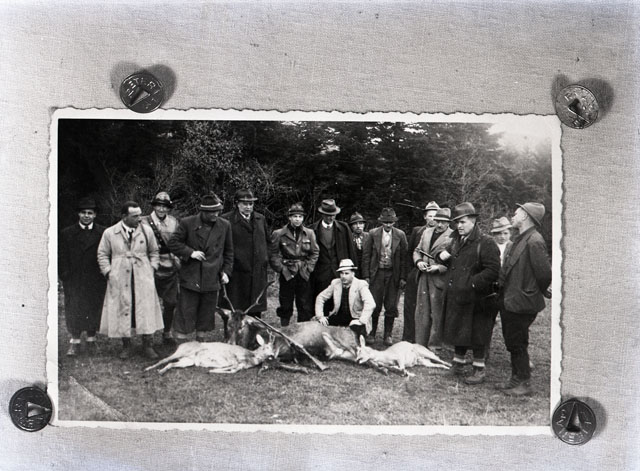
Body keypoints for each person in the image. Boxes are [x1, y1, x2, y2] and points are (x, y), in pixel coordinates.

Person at [439, 202, 500, 384]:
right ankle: (458, 364)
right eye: (457, 222)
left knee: (478, 334)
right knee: (459, 329)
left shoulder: (486, 242)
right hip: (459, 296)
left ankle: (479, 370)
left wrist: (471, 284)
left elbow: (493, 270)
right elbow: (450, 261)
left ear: (473, 221)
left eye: (463, 222)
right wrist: (441, 256)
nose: (459, 226)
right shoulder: (457, 241)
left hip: (478, 299)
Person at [97, 201, 164, 360]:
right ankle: (126, 345)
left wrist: (152, 268)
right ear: (124, 217)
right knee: (123, 307)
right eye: (135, 216)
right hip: (120, 276)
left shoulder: (146, 231)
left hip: (142, 276)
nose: (139, 218)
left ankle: (148, 345)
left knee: (145, 309)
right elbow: (102, 254)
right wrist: (108, 272)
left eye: (140, 215)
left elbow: (154, 252)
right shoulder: (110, 233)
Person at [497, 203, 551, 396]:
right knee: (513, 341)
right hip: (512, 300)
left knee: (518, 342)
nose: (513, 216)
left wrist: (531, 291)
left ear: (526, 217)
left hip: (522, 302)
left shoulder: (534, 241)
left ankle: (524, 382)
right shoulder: (522, 238)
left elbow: (544, 274)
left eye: (516, 213)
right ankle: (516, 379)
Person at [168, 194, 233, 342]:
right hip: (191, 276)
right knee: (185, 311)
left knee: (206, 313)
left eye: (217, 211)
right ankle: (182, 343)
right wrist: (190, 253)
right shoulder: (187, 223)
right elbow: (173, 243)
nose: (215, 215)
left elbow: (229, 252)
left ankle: (201, 341)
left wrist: (226, 272)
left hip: (212, 276)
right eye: (211, 212)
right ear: (203, 211)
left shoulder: (225, 225)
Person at [59, 197, 107, 356]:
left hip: (95, 278)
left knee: (94, 306)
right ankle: (75, 341)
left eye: (90, 213)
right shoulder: (67, 233)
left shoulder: (103, 232)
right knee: (74, 307)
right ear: (78, 214)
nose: (86, 216)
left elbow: (107, 253)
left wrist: (103, 273)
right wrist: (65, 275)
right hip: (74, 278)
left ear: (95, 215)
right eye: (83, 212)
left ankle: (92, 339)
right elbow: (62, 256)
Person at [221, 189, 274, 317]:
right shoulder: (226, 220)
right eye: (244, 204)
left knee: (255, 309)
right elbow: (221, 247)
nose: (248, 207)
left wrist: (265, 258)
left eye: (251, 204)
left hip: (257, 272)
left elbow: (268, 242)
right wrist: (225, 269)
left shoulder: (260, 219)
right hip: (236, 273)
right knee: (234, 310)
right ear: (237, 204)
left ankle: (253, 329)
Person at [361, 207, 408, 346]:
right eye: (386, 222)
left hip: (393, 274)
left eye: (391, 222)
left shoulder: (400, 235)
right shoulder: (373, 234)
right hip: (376, 274)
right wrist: (366, 275)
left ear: (394, 222)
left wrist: (403, 277)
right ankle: (372, 332)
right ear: (381, 222)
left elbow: (404, 258)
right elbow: (366, 256)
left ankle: (388, 334)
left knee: (391, 305)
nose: (388, 225)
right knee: (374, 304)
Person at [270, 203, 320, 326]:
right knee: (285, 303)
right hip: (287, 271)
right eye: (295, 216)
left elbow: (315, 252)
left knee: (304, 303)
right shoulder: (279, 233)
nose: (297, 219)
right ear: (289, 218)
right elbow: (273, 254)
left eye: (300, 216)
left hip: (303, 272)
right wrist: (281, 269)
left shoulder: (309, 233)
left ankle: (303, 330)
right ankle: (285, 328)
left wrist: (309, 268)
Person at [141, 191, 180, 346]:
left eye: (165, 206)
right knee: (148, 304)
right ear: (154, 206)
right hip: (150, 267)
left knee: (171, 303)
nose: (162, 209)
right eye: (159, 205)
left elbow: (177, 242)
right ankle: (148, 338)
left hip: (170, 267)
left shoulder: (174, 222)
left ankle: (166, 333)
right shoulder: (143, 222)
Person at [412, 207, 453, 351]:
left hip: (439, 279)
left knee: (437, 314)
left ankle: (434, 346)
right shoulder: (426, 232)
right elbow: (417, 251)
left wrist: (439, 268)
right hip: (424, 277)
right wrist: (418, 262)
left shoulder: (453, 236)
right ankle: (420, 344)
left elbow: (454, 262)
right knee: (421, 312)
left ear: (449, 223)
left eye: (443, 222)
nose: (440, 224)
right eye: (438, 221)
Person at [403, 201, 440, 342]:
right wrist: (409, 273)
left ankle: (426, 340)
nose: (433, 219)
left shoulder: (446, 234)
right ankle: (408, 338)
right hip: (416, 273)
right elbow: (410, 253)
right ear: (425, 217)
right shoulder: (417, 231)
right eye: (430, 216)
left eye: (435, 216)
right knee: (410, 307)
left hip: (434, 276)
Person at [310, 199, 357, 311]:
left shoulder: (343, 228)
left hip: (340, 272)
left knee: (341, 302)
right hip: (320, 273)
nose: (330, 218)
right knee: (322, 301)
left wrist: (353, 271)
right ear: (322, 214)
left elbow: (351, 251)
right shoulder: (312, 229)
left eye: (333, 215)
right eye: (327, 215)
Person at [314, 259, 375, 341]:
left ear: (353, 274)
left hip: (355, 318)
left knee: (353, 338)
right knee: (320, 329)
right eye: (341, 273)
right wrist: (320, 316)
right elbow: (320, 297)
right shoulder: (336, 283)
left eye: (346, 273)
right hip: (339, 317)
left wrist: (361, 321)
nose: (343, 276)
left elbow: (370, 303)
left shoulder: (361, 284)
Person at [485, 216, 513, 359]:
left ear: (510, 233)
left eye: (505, 233)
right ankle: (483, 353)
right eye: (498, 233)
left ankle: (518, 355)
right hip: (490, 289)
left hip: (508, 290)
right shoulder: (488, 247)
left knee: (510, 324)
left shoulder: (514, 247)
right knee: (486, 322)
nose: (502, 237)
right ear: (493, 234)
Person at [349, 212, 369, 277]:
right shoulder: (348, 238)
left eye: (360, 223)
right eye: (355, 224)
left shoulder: (369, 237)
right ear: (351, 226)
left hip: (367, 271)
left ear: (364, 225)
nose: (358, 226)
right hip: (353, 270)